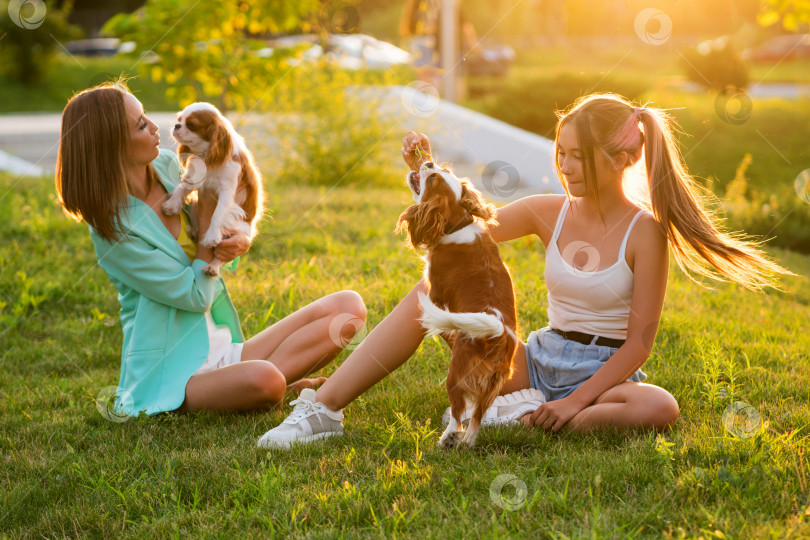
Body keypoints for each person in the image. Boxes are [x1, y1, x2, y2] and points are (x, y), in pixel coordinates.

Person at [258, 92, 790, 448]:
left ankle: (529, 414)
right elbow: (461, 227)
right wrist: (422, 172)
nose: (565, 166)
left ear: (621, 159)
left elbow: (638, 347)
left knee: (658, 405)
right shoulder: (546, 211)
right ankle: (322, 410)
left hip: (602, 376)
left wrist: (577, 400)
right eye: (561, 153)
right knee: (426, 295)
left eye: (579, 156)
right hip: (533, 360)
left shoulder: (644, 232)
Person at [55, 80, 367, 418]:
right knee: (266, 378)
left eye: (146, 117)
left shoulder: (168, 168)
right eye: (141, 124)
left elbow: (227, 212)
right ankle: (263, 386)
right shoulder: (113, 229)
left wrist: (239, 239)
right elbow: (194, 295)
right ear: (111, 145)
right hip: (172, 373)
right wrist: (205, 222)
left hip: (219, 344)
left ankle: (260, 386)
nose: (156, 128)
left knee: (348, 307)